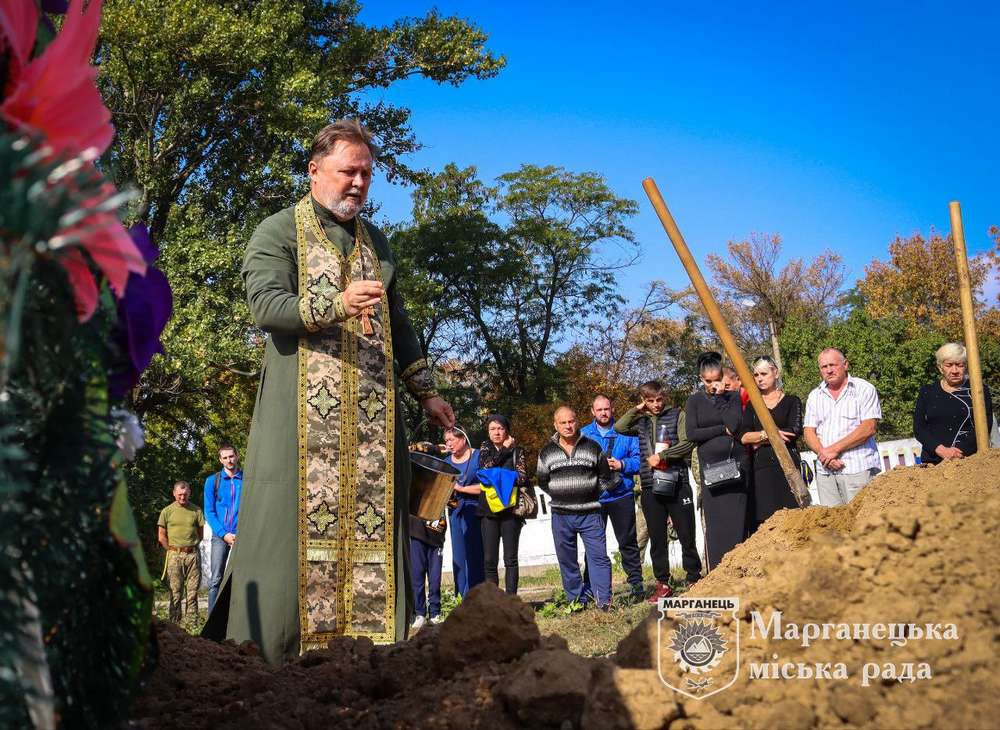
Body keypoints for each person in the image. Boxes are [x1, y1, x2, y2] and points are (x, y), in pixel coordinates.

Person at [202, 120, 455, 663]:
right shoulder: (277, 232)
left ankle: (369, 658)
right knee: (284, 541)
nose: (360, 183)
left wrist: (425, 391)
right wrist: (336, 304)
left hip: (374, 424)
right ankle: (273, 660)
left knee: (377, 535)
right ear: (315, 170)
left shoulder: (378, 242)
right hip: (298, 423)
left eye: (367, 173)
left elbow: (400, 322)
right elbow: (266, 308)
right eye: (349, 171)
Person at [617, 380, 701, 602]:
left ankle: (694, 577)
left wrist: (663, 456)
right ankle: (663, 583)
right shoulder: (641, 421)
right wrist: (637, 409)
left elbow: (688, 442)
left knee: (686, 534)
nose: (655, 404)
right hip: (650, 485)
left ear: (665, 398)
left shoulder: (677, 415)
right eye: (650, 401)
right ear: (644, 401)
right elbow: (619, 427)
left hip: (677, 482)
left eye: (659, 399)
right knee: (657, 538)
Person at [536, 406, 615, 610]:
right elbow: (543, 481)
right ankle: (576, 601)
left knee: (598, 558)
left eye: (571, 421)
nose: (568, 426)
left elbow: (605, 477)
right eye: (563, 423)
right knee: (567, 561)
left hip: (590, 513)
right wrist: (563, 493)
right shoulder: (546, 452)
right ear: (555, 425)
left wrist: (590, 493)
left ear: (577, 421)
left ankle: (603, 602)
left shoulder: (593, 446)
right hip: (561, 515)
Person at [580, 395, 644, 602]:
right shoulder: (583, 435)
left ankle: (636, 584)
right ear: (592, 411)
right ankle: (590, 588)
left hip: (621, 494)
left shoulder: (626, 431)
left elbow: (639, 460)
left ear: (612, 409)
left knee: (628, 542)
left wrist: (622, 465)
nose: (603, 413)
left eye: (606, 409)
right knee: (593, 544)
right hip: (595, 497)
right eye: (599, 410)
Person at [686, 352, 747, 571]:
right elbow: (692, 433)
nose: (714, 385)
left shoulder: (732, 397)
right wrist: (721, 429)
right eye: (708, 381)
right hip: (710, 472)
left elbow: (736, 424)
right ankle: (718, 572)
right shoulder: (694, 400)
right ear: (702, 379)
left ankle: (739, 570)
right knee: (716, 525)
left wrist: (722, 399)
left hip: (736, 469)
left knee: (736, 524)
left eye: (717, 379)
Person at [803, 348, 881, 506]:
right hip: (826, 472)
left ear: (845, 365)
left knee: (863, 523)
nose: (829, 370)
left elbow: (868, 428)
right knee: (833, 526)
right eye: (824, 367)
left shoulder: (864, 389)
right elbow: (808, 432)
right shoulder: (814, 396)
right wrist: (825, 455)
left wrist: (834, 450)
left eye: (832, 365)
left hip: (857, 469)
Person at [738, 356, 803, 529]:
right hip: (763, 468)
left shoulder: (792, 401)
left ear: (775, 373)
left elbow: (794, 431)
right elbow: (744, 436)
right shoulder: (752, 406)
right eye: (756, 374)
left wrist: (758, 439)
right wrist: (767, 435)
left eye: (764, 373)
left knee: (795, 516)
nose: (759, 378)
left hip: (788, 465)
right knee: (768, 521)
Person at [913, 342, 994, 464]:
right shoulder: (927, 392)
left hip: (969, 460)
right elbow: (919, 428)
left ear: (966, 366)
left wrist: (957, 452)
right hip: (933, 462)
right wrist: (941, 450)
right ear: (940, 367)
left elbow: (985, 424)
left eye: (959, 365)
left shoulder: (978, 390)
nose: (954, 370)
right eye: (949, 365)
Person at [477, 414, 526, 595]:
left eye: (500, 428)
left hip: (511, 510)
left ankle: (511, 598)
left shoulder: (518, 451)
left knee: (510, 558)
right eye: (492, 429)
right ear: (488, 432)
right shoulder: (484, 448)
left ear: (507, 431)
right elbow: (484, 470)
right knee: (490, 559)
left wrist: (496, 476)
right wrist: (503, 452)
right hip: (488, 511)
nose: (496, 432)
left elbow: (522, 477)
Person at [443, 426, 485, 598]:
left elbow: (486, 486)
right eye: (446, 441)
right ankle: (462, 595)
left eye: (451, 440)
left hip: (475, 509)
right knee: (459, 554)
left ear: (463, 439)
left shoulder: (479, 457)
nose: (449, 444)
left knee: (476, 552)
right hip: (455, 510)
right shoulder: (446, 462)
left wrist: (462, 488)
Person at [157, 481, 206, 624]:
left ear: (189, 493)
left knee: (192, 592)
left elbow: (201, 534)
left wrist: (190, 547)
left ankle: (192, 623)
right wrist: (172, 550)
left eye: (185, 494)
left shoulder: (196, 511)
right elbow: (161, 536)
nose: (182, 497)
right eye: (179, 495)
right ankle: (174, 624)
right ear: (174, 493)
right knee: (175, 592)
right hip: (174, 555)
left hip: (192, 555)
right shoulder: (166, 511)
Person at [203, 443, 242, 612]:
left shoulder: (247, 479)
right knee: (216, 579)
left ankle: (236, 618)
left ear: (237, 456)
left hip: (242, 536)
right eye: (225, 457)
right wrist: (223, 533)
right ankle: (211, 622)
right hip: (220, 536)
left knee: (242, 578)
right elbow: (209, 512)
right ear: (220, 460)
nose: (229, 460)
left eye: (231, 456)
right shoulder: (213, 481)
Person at [409, 511, 446, 630]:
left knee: (435, 579)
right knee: (417, 577)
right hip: (417, 533)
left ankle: (435, 613)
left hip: (436, 536)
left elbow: (452, 502)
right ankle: (420, 613)